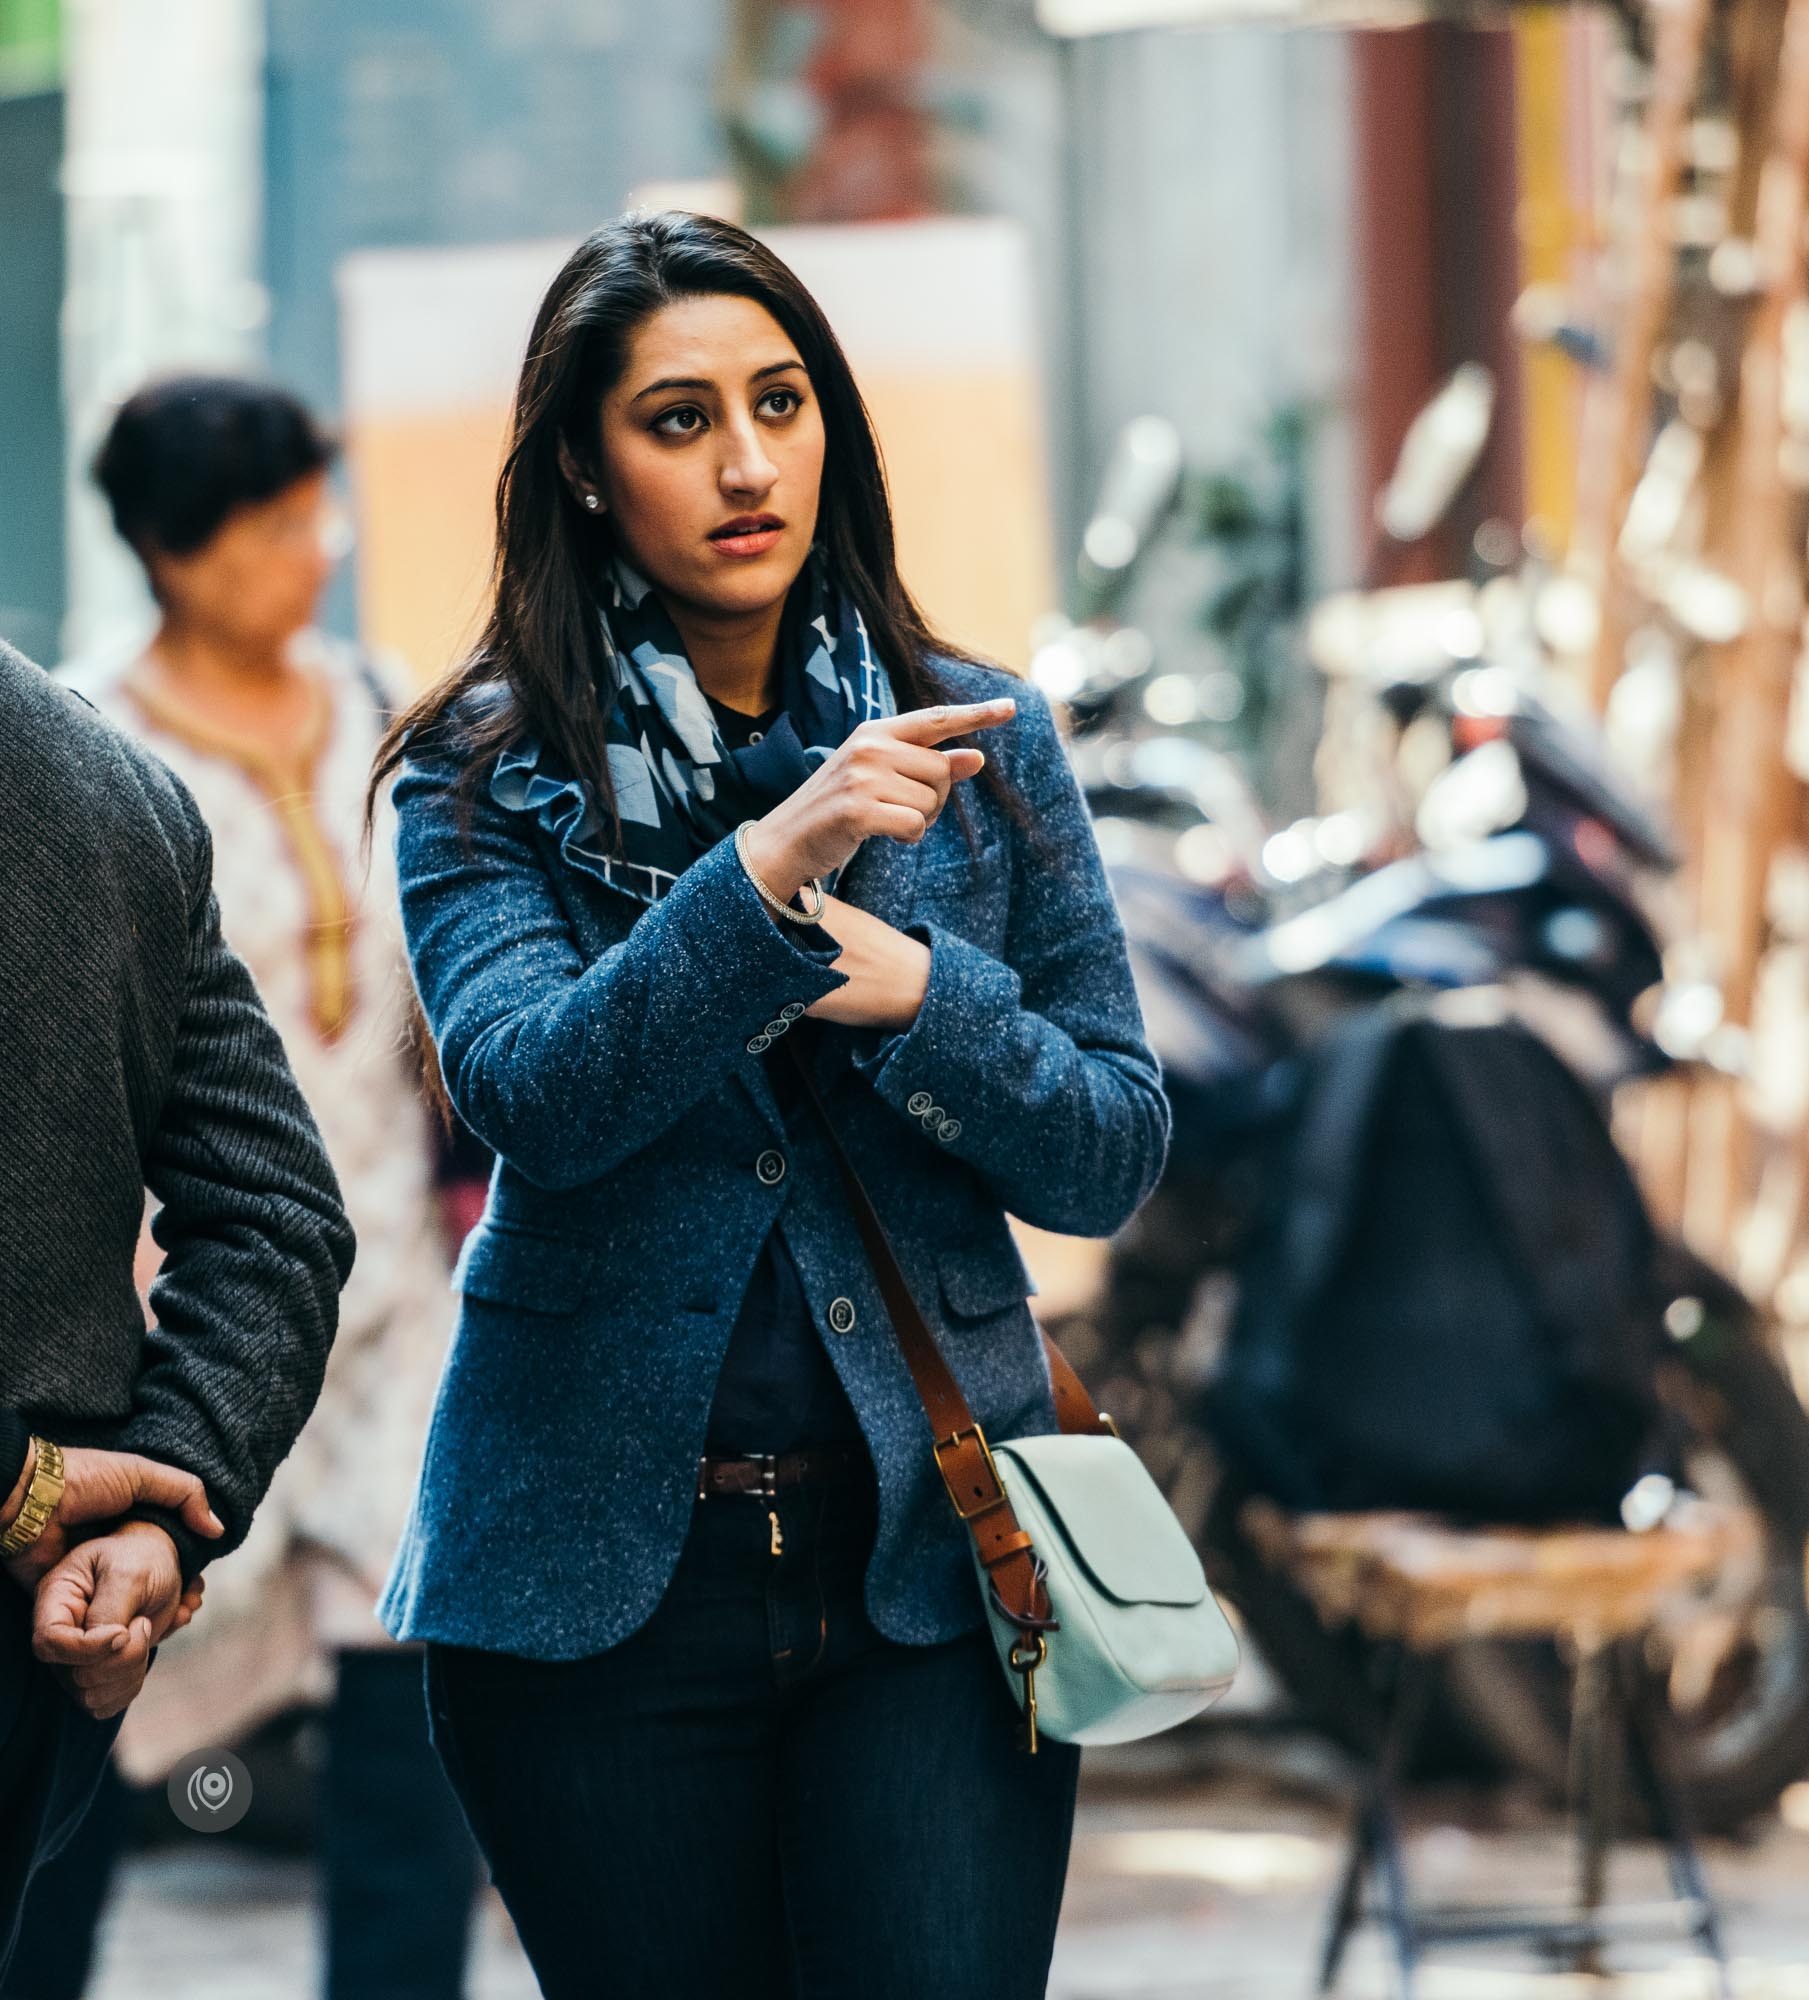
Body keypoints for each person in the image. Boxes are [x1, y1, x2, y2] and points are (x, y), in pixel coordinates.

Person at [369, 208, 1171, 1998]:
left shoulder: (984, 738)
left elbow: (1112, 1146)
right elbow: (537, 1096)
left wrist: (925, 1001)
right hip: (592, 1592)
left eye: (783, 402)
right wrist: (769, 878)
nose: (747, 463)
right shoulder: (483, 772)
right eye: (677, 419)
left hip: (936, 1561)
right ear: (582, 465)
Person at [2, 378, 482, 2000]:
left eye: (316, 511)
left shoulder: (375, 703)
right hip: (158, 1324)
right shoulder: (87, 750)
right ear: (170, 552)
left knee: (412, 1730)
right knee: (107, 1718)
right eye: (279, 524)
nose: (317, 549)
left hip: (391, 1294)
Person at [0, 637, 356, 1976]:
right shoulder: (111, 785)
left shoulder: (109, 795)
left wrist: (152, 1503)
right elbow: (282, 1219)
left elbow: (278, 1220)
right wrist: (164, 1501)